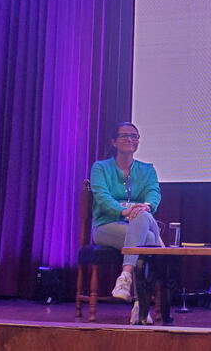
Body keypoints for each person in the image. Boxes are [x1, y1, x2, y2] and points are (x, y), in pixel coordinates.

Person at [90, 122, 161, 324]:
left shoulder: (147, 170)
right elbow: (102, 197)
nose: (130, 139)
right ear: (114, 141)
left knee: (142, 223)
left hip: (135, 227)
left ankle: (126, 277)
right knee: (148, 239)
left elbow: (154, 193)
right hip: (107, 226)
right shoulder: (101, 168)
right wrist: (124, 210)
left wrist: (145, 206)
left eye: (135, 136)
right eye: (125, 135)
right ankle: (141, 304)